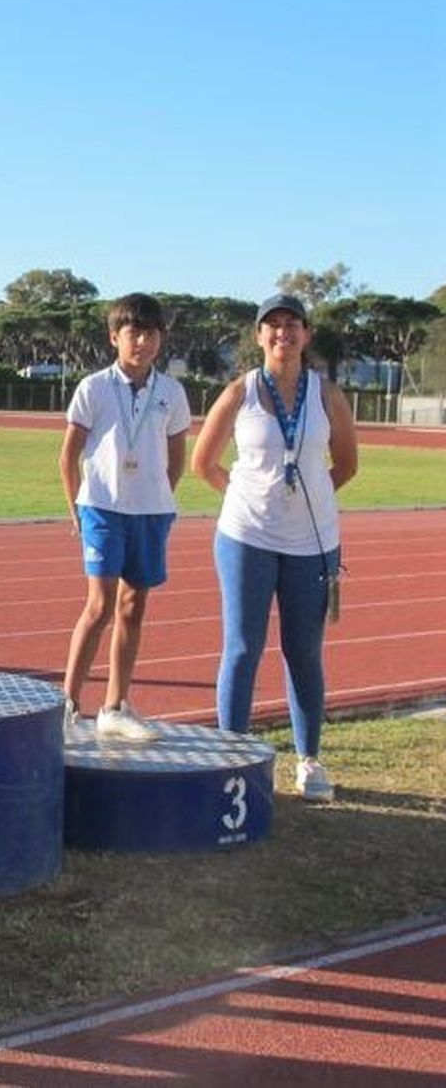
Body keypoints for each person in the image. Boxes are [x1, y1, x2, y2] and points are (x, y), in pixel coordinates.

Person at [191, 294, 358, 803]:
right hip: (247, 536)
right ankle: (231, 755)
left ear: (306, 335)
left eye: (292, 325)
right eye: (272, 326)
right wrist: (249, 497)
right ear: (259, 336)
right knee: (242, 649)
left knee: (303, 652)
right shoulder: (239, 391)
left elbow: (346, 465)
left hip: (313, 541)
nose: (282, 333)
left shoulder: (327, 394)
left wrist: (305, 500)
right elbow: (204, 462)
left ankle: (309, 761)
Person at [59, 294, 192, 743]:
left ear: (161, 339)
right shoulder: (94, 387)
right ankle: (68, 705)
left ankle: (115, 705)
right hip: (101, 507)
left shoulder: (171, 393)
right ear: (115, 337)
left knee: (134, 608)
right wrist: (74, 505)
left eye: (151, 332)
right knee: (99, 606)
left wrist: (156, 496)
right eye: (133, 332)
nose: (142, 340)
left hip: (150, 513)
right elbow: (69, 454)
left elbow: (177, 458)